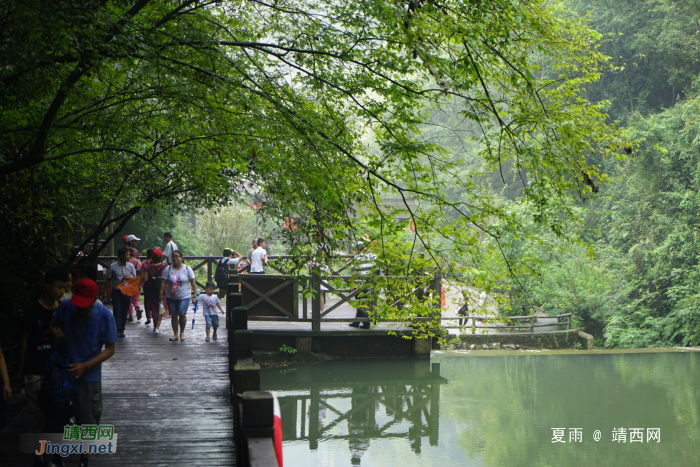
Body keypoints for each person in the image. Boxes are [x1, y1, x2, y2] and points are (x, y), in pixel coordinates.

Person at [52, 278, 118, 467]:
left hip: (89, 377)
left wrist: (86, 365)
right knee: (58, 416)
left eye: (85, 304)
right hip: (64, 373)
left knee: (88, 421)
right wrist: (61, 339)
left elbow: (110, 349)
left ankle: (84, 460)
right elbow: (53, 324)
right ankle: (58, 457)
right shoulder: (66, 307)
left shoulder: (105, 316)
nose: (81, 308)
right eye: (78, 303)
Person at [159, 250, 196, 341]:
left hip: (184, 295)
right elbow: (163, 282)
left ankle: (182, 332)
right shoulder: (168, 269)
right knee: (174, 314)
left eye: (177, 256)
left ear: (181, 258)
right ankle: (175, 334)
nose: (175, 258)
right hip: (171, 296)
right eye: (173, 256)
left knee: (182, 313)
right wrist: (160, 293)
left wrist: (195, 294)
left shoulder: (187, 269)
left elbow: (193, 282)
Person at [107, 247, 137, 338]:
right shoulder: (113, 266)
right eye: (127, 254)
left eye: (129, 254)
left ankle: (122, 329)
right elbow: (108, 279)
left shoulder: (131, 266)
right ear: (120, 256)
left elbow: (135, 278)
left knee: (124, 311)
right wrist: (107, 291)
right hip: (116, 291)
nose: (129, 256)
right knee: (117, 310)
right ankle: (117, 329)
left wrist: (129, 278)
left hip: (127, 292)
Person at [349, 241, 378, 329]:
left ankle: (366, 323)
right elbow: (373, 270)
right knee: (362, 302)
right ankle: (356, 322)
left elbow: (354, 273)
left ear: (357, 249)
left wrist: (351, 285)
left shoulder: (356, 258)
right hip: (368, 284)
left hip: (359, 284)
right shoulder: (370, 258)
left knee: (360, 303)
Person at [143, 248, 167, 334]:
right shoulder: (165, 267)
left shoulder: (149, 267)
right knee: (161, 307)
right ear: (161, 258)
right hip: (163, 291)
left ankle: (155, 325)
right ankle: (157, 327)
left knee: (154, 308)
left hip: (152, 291)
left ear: (152, 258)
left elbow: (145, 279)